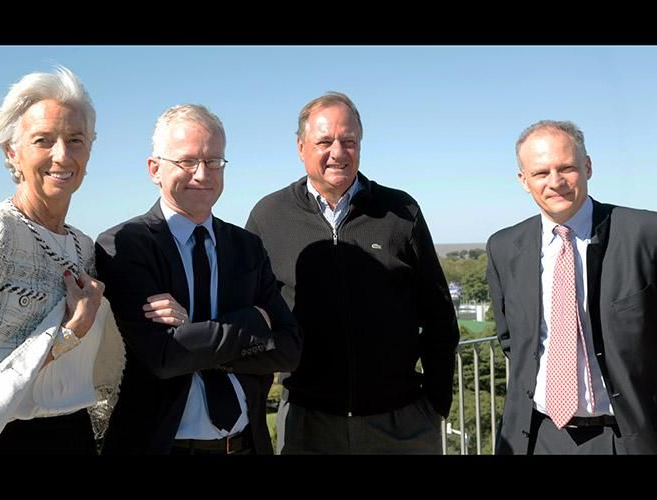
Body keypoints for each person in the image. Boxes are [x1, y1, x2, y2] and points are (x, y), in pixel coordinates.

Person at [245, 92, 459, 454]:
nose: (338, 152)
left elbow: (439, 315)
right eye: (324, 141)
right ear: (301, 147)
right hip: (308, 425)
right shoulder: (269, 216)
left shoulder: (400, 211)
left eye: (349, 141)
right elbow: (250, 315)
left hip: (401, 423)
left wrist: (435, 403)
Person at [0, 66, 125, 455]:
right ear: (11, 151)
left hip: (74, 436)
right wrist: (70, 332)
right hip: (1, 440)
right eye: (43, 140)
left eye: (75, 139)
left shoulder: (84, 247)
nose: (62, 155)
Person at [96, 104, 301, 455]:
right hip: (162, 447)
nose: (202, 174)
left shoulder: (246, 246)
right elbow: (164, 356)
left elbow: (288, 350)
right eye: (187, 161)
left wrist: (196, 332)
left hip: (243, 445)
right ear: (154, 169)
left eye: (214, 161)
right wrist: (252, 323)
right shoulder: (125, 245)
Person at [486, 120, 657, 454]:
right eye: (540, 173)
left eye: (567, 168)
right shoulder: (504, 247)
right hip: (536, 438)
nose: (556, 183)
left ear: (588, 166)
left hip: (628, 437)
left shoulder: (646, 235)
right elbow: (512, 341)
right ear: (523, 180)